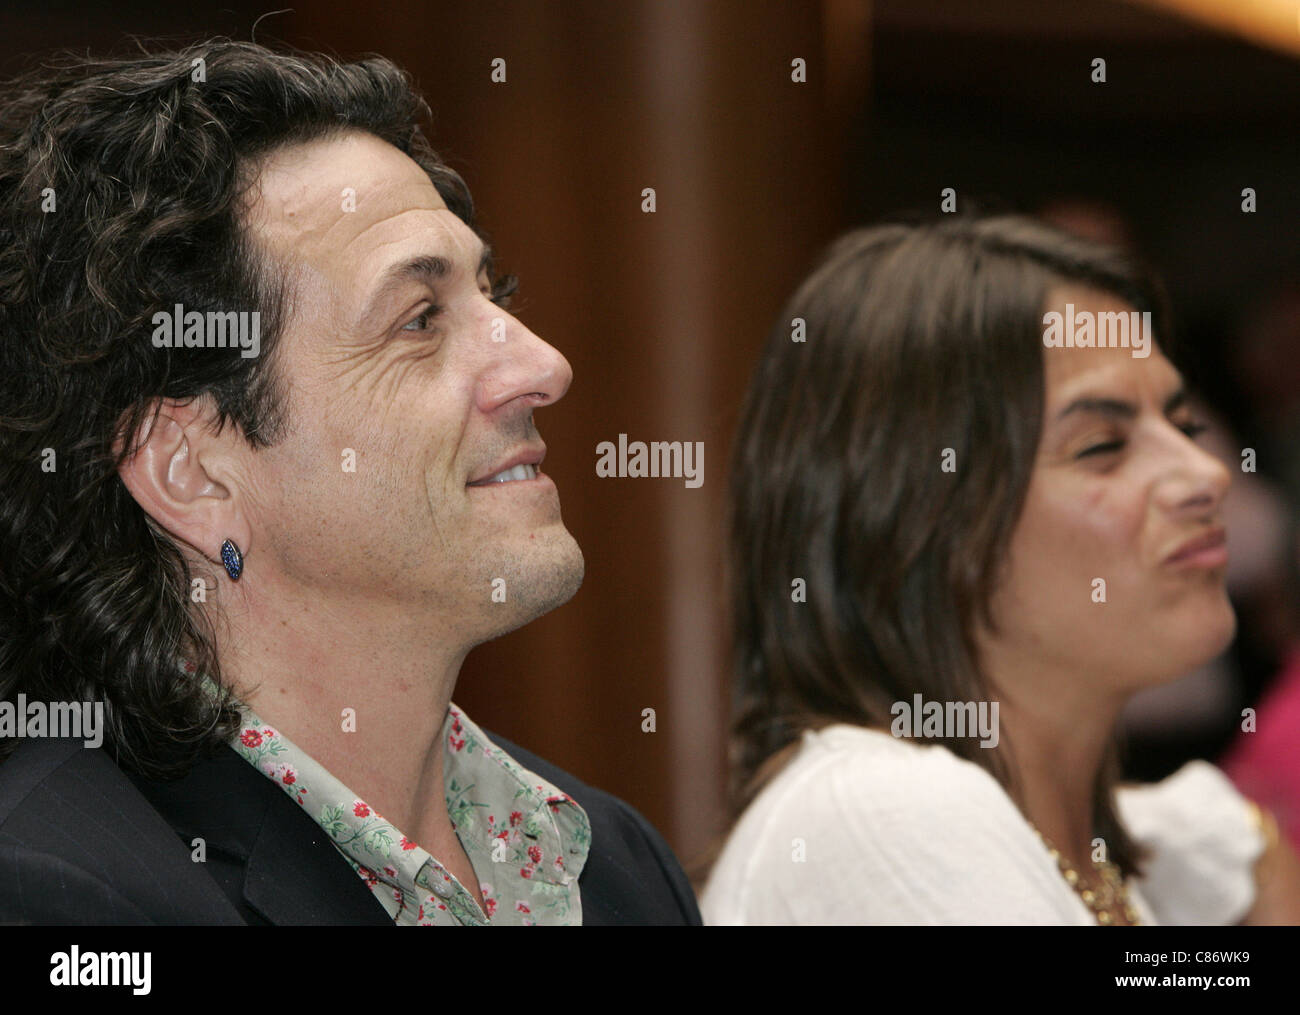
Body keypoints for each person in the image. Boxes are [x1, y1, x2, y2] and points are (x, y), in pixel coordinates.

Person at [0, 40, 700, 926]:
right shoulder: (62, 893)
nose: (543, 365)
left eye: (495, 293)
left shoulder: (619, 866)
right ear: (194, 471)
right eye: (419, 320)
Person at [702, 214, 1300, 925]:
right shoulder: (886, 809)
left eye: (1185, 425)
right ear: (919, 522)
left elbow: (1204, 839)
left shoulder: (1082, 847)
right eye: (1102, 445)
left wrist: (1256, 852)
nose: (1206, 473)